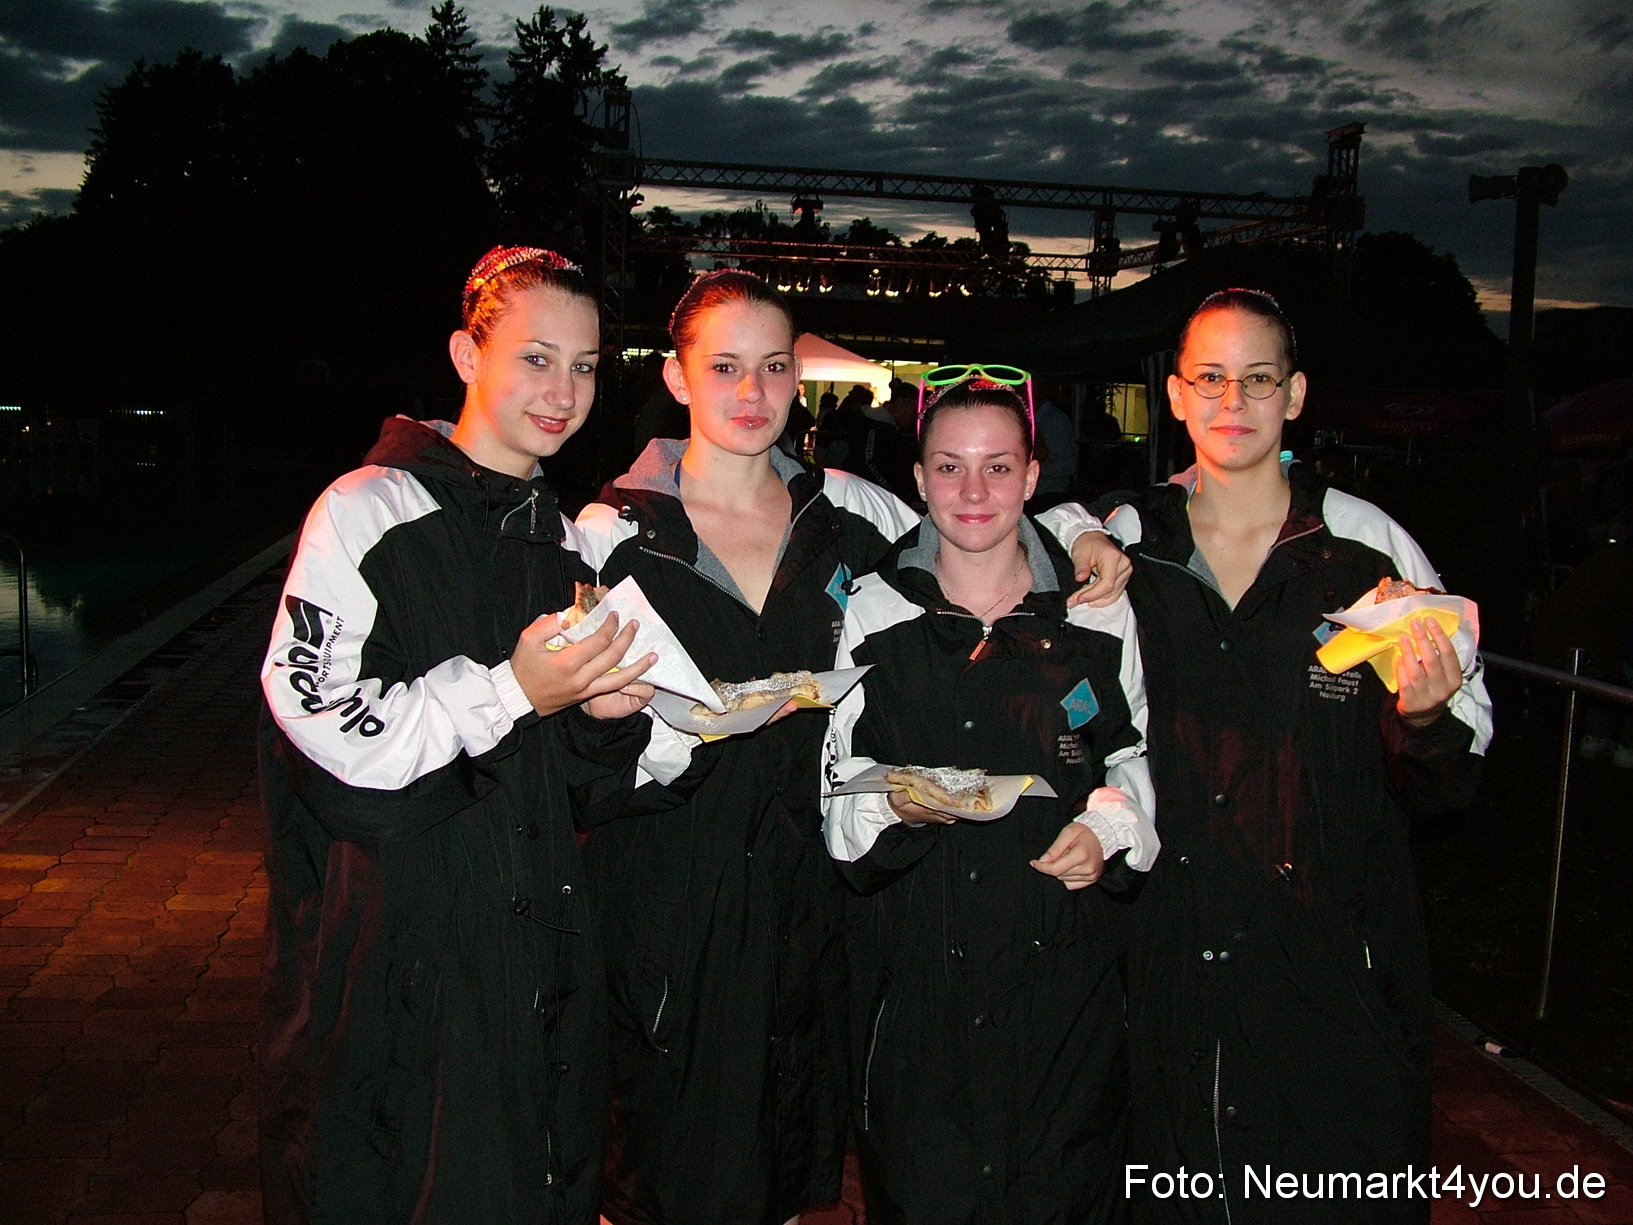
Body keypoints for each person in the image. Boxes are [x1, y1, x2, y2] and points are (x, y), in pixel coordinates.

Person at [570, 271, 1129, 1225]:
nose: (751, 394)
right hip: (667, 909)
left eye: (774, 367)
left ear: (798, 378)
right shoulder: (610, 533)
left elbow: (983, 519)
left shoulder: (853, 515)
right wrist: (602, 718)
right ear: (676, 377)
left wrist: (1086, 531)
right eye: (724, 367)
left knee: (789, 1169)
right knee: (661, 1173)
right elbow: (574, 750)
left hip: (812, 913)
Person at [258, 246, 657, 1225]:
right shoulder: (366, 508)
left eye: (587, 363)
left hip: (542, 957)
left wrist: (606, 724)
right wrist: (512, 688)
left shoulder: (560, 538)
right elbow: (322, 735)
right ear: (465, 355)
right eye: (537, 356)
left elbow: (570, 791)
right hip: (404, 958)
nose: (564, 390)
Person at [1083, 289, 1493, 1223]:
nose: (1234, 401)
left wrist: (1424, 720)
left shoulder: (1366, 550)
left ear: (1295, 394)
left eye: (1258, 379)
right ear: (1176, 396)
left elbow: (1455, 770)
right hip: (1163, 960)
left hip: (1330, 968)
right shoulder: (1123, 550)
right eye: (1211, 378)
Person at [822, 373, 1160, 1224]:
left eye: (998, 467)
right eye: (948, 467)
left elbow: (1134, 759)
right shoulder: (871, 610)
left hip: (1066, 1003)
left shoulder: (1096, 614)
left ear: (1034, 475)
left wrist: (1107, 825)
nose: (973, 492)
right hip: (917, 1004)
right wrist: (892, 805)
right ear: (918, 476)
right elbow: (835, 793)